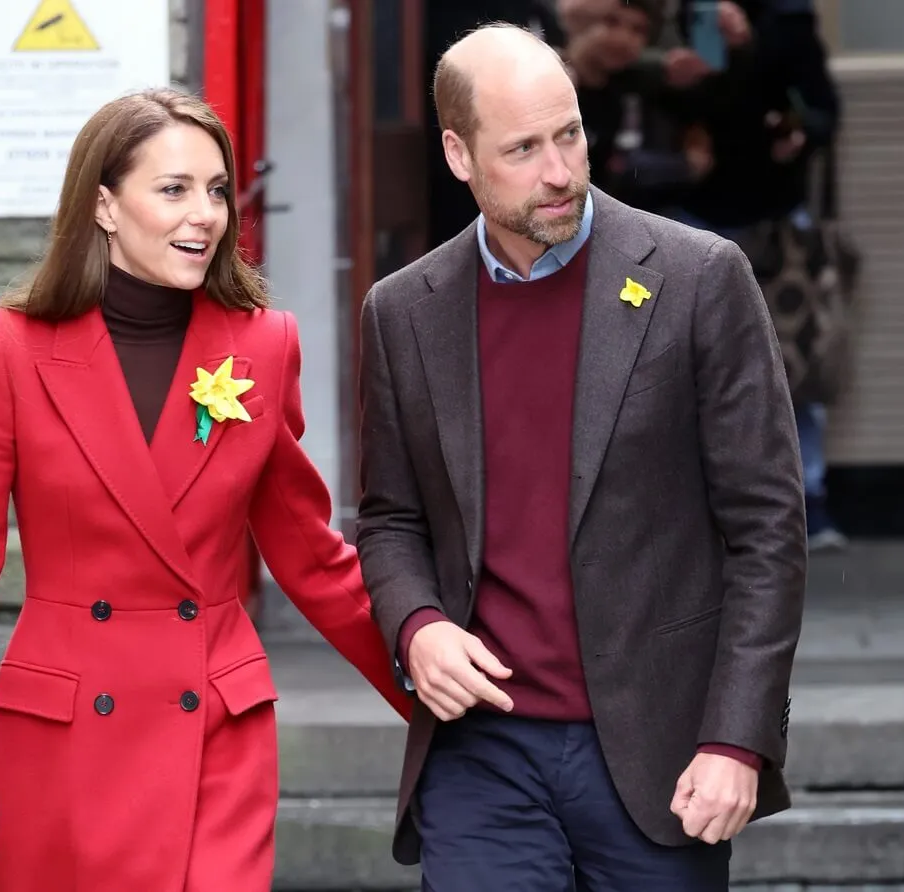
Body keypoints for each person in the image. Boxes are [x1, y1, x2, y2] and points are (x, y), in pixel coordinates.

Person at [0, 87, 411, 892]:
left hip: (215, 731)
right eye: (174, 189)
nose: (206, 214)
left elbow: (312, 559)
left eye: (216, 190)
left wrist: (429, 687)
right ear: (105, 205)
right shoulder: (8, 349)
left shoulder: (262, 344)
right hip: (65, 738)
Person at [356, 23, 807, 891]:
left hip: (658, 751)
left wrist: (736, 737)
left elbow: (767, 530)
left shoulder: (698, 278)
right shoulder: (402, 311)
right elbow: (391, 519)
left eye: (569, 134)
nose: (559, 170)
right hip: (481, 756)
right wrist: (417, 626)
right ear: (459, 154)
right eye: (522, 148)